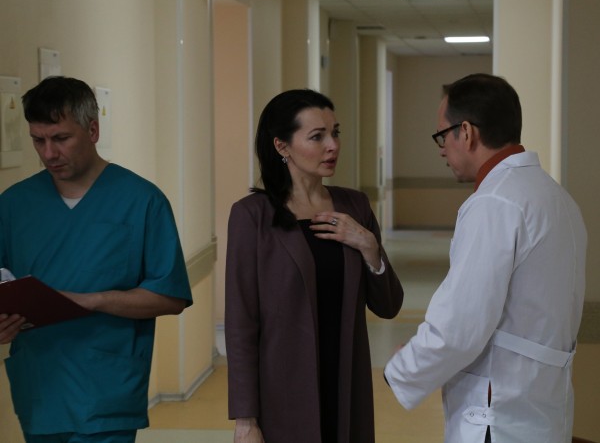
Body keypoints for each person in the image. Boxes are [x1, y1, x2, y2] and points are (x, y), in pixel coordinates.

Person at [384, 73, 587, 443]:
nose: (442, 149)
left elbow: (460, 326)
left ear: (466, 132)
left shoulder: (494, 203)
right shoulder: (556, 198)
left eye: (442, 136)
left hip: (497, 414)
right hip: (543, 408)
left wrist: (402, 367)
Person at [0, 76, 193, 443]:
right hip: (40, 388)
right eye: (38, 140)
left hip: (108, 390)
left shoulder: (142, 201)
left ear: (93, 130)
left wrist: (91, 300)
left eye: (61, 138)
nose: (48, 154)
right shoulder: (13, 204)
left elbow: (170, 297)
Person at [225, 89, 404, 443]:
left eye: (335, 133)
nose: (332, 146)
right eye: (317, 136)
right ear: (282, 146)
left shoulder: (355, 206)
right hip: (283, 394)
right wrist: (246, 420)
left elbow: (388, 305)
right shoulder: (252, 216)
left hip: (346, 384)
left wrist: (369, 247)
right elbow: (241, 324)